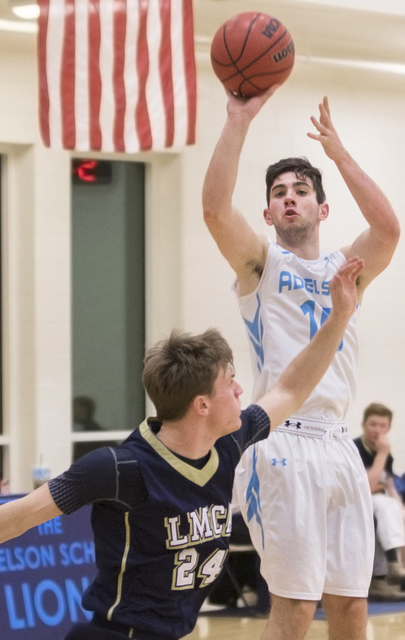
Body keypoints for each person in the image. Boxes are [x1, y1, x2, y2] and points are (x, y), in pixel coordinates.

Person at [0, 257, 362, 640]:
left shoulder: (228, 444)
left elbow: (290, 390)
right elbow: (17, 517)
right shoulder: (119, 468)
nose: (241, 391)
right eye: (231, 382)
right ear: (201, 405)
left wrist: (339, 317)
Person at [202, 87, 400, 639]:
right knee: (294, 605)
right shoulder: (260, 267)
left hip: (338, 444)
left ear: (322, 207)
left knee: (352, 606)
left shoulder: (347, 268)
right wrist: (237, 120)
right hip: (280, 441)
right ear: (268, 212)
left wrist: (338, 154)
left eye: (302, 190)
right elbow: (215, 210)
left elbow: (388, 229)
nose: (290, 198)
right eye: (280, 193)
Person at [353, 403, 405, 599]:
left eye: (382, 426)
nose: (377, 430)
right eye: (373, 424)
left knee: (396, 508)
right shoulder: (355, 448)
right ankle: (392, 564)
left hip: (378, 503)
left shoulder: (387, 454)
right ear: (363, 425)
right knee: (385, 505)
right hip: (354, 505)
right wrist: (382, 454)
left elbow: (387, 486)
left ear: (389, 428)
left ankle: (396, 576)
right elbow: (367, 487)